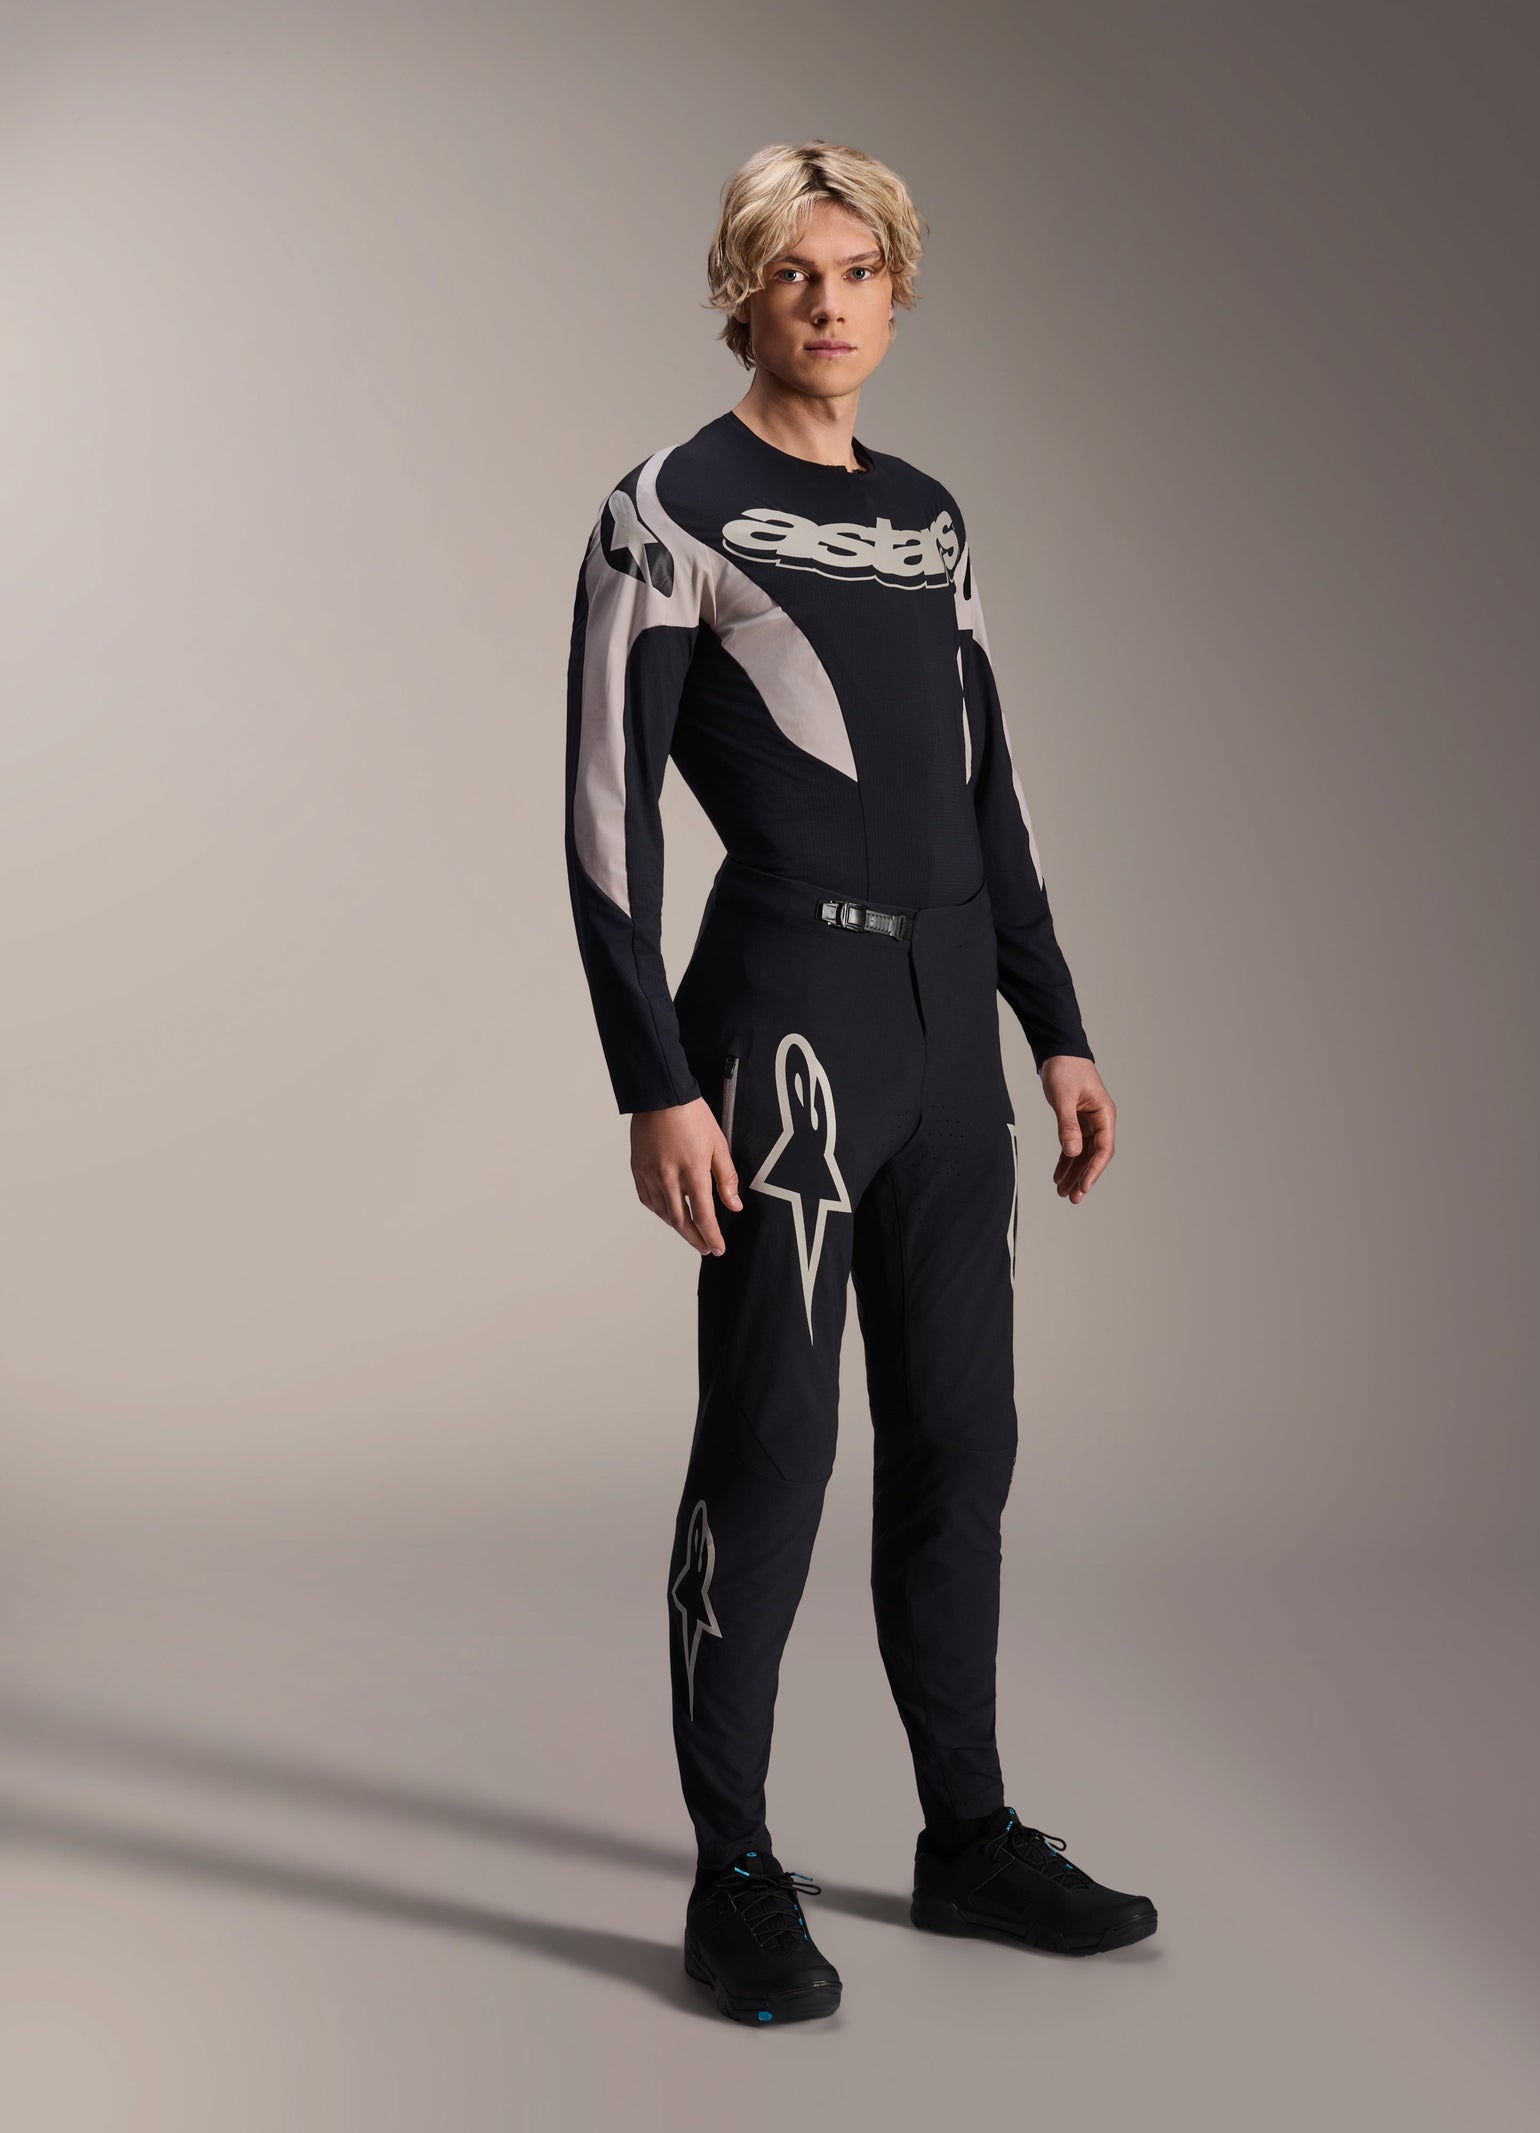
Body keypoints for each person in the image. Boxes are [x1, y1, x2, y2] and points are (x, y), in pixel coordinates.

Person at [564, 139, 1157, 2026]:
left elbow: (994, 796)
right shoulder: (668, 508)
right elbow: (605, 820)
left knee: (962, 1439)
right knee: (775, 1442)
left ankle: (964, 1834)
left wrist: (1055, 1022)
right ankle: (734, 1866)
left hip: (947, 1026)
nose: (829, 303)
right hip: (786, 1022)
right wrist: (655, 1077)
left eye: (859, 270)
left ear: (898, 290)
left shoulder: (932, 516)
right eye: (793, 272)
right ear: (739, 291)